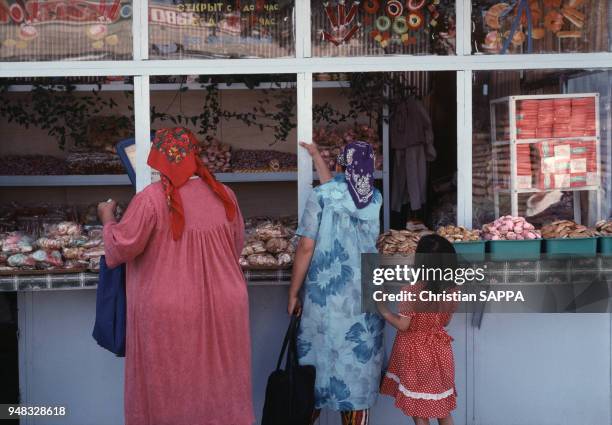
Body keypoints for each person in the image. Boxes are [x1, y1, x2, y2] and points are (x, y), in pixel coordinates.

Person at [98, 127, 254, 425]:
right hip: (226, 303)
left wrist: (108, 219)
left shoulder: (151, 200)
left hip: (169, 309)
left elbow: (120, 248)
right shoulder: (225, 195)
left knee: (171, 388)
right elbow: (236, 246)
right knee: (221, 384)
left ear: (159, 159)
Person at [288, 140, 384, 425]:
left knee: (314, 375)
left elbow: (306, 246)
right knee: (356, 375)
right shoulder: (375, 197)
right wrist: (317, 157)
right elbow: (343, 192)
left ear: (341, 164)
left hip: (325, 300)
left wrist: (293, 293)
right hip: (363, 301)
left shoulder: (321, 196)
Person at [378, 234, 458, 425]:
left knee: (418, 407)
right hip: (440, 352)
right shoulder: (453, 288)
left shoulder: (411, 291)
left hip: (415, 354)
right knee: (442, 408)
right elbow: (445, 322)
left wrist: (383, 309)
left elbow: (404, 325)